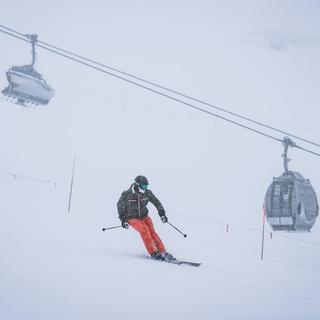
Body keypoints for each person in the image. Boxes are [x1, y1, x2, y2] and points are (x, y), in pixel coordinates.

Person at [117, 175, 175, 261]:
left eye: (146, 186)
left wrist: (162, 213)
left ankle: (163, 252)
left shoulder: (147, 193)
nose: (145, 188)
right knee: (144, 230)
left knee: (152, 232)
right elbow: (119, 205)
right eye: (143, 186)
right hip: (132, 218)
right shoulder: (127, 194)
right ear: (137, 185)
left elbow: (156, 202)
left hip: (144, 216)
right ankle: (153, 252)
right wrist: (123, 220)